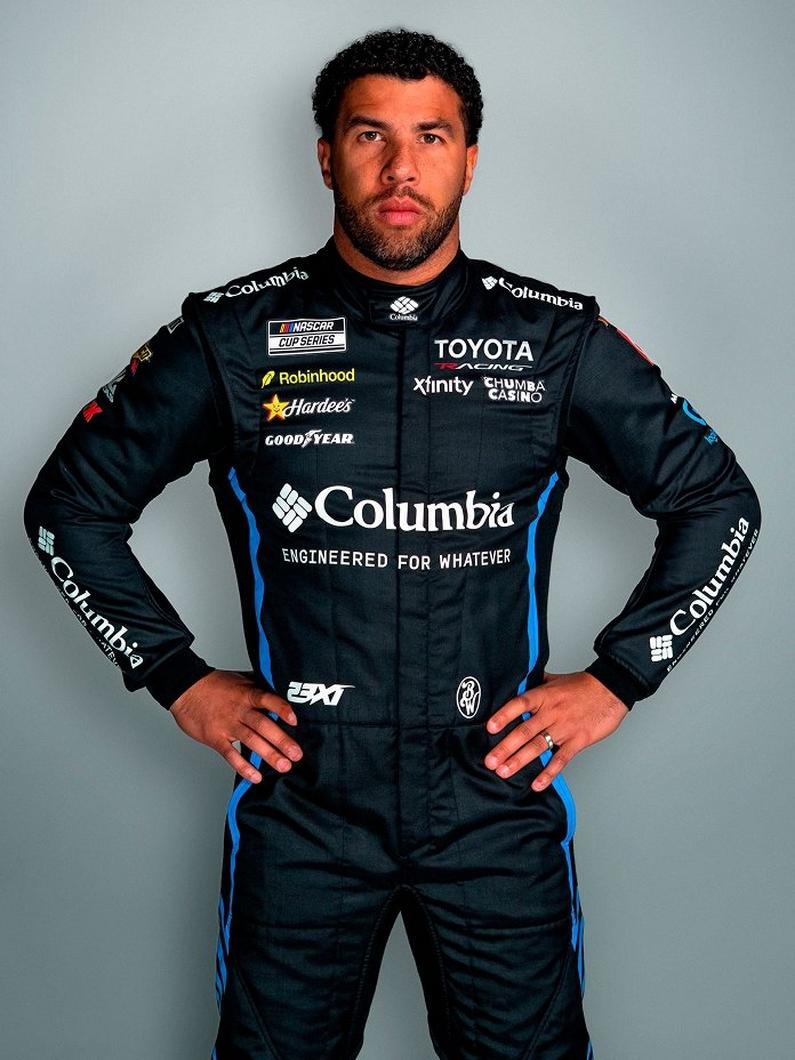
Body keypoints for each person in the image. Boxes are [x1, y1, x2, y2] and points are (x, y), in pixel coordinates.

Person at [23, 26, 761, 1060]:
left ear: (470, 156)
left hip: (493, 797)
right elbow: (68, 507)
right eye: (370, 135)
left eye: (433, 137)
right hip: (307, 804)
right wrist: (177, 676)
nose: (402, 168)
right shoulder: (235, 339)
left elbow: (718, 501)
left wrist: (620, 678)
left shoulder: (552, 342)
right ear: (326, 154)